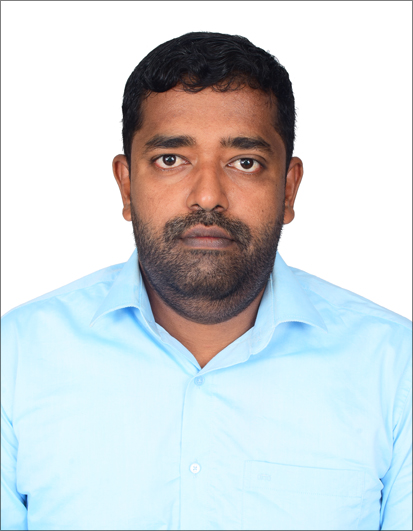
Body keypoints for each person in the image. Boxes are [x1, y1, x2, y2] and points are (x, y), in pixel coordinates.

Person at [1, 31, 411, 531]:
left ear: (288, 189)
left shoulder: (395, 369)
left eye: (245, 163)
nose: (208, 196)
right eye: (171, 159)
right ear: (126, 185)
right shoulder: (16, 358)